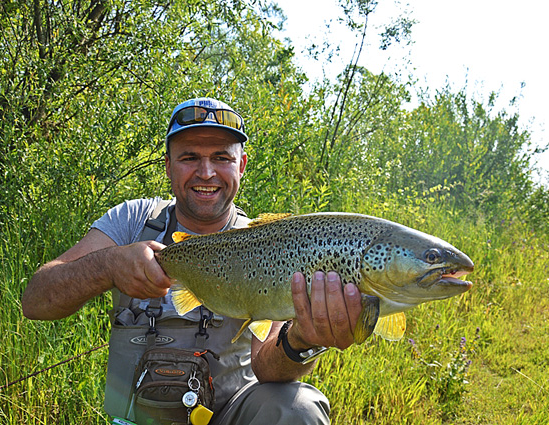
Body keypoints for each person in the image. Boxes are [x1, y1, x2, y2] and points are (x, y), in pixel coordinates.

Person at [22, 97, 364, 425]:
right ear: (168, 165)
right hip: (138, 419)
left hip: (229, 413)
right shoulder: (131, 221)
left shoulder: (270, 241)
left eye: (221, 158)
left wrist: (302, 338)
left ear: (241, 166)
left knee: (298, 408)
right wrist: (107, 265)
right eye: (189, 157)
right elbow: (36, 301)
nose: (206, 172)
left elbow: (269, 369)